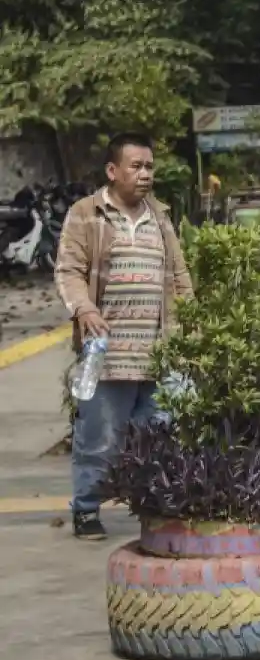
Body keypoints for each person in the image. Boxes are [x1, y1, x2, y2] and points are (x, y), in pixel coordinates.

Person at [54, 132, 194, 541]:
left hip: (158, 352)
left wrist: (191, 325)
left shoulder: (161, 217)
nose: (145, 174)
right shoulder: (86, 213)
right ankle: (86, 509)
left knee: (158, 436)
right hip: (106, 355)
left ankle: (153, 508)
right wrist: (85, 309)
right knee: (99, 439)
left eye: (150, 166)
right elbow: (68, 271)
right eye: (136, 166)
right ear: (113, 171)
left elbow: (180, 278)